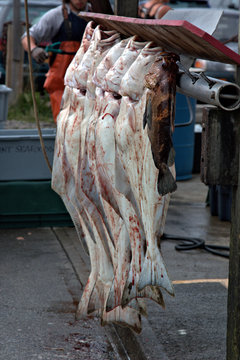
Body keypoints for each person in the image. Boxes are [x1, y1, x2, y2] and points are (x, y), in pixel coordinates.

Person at [21, 0, 91, 122]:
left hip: (89, 85)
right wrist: (34, 49)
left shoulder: (97, 14)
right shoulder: (56, 15)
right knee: (64, 123)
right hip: (61, 86)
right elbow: (27, 37)